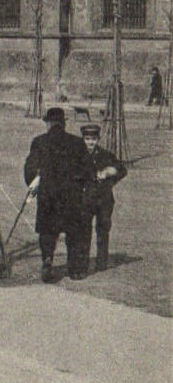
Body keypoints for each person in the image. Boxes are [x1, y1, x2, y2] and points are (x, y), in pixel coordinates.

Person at [24, 106, 93, 282]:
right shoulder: (77, 143)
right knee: (73, 232)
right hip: (72, 196)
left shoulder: (39, 142)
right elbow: (89, 171)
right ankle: (74, 269)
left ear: (48, 123)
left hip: (48, 196)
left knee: (47, 232)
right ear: (63, 123)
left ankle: (47, 260)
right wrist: (81, 186)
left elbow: (29, 169)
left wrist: (34, 184)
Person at [81, 123, 127, 272]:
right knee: (84, 231)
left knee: (103, 230)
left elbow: (122, 170)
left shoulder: (106, 155)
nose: (90, 142)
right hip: (86, 199)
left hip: (104, 200)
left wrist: (110, 172)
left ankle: (101, 262)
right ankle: (83, 262)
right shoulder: (78, 156)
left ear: (98, 139)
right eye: (87, 139)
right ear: (83, 139)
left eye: (93, 139)